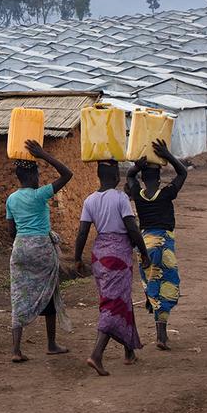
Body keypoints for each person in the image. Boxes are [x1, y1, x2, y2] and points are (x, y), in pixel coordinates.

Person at [74, 160, 149, 376]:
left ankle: (129, 352)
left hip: (100, 254)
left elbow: (82, 233)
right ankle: (96, 354)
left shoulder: (90, 200)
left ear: (99, 176)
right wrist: (143, 252)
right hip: (118, 254)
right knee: (113, 304)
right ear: (116, 176)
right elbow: (131, 227)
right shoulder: (121, 198)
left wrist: (77, 258)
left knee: (119, 299)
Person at [5, 140, 74, 362]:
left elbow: (10, 230)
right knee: (50, 292)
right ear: (34, 176)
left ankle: (16, 350)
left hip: (21, 249)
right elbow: (67, 174)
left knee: (18, 295)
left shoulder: (11, 199)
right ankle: (51, 344)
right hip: (42, 248)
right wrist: (43, 155)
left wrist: (24, 242)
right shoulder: (40, 195)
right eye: (38, 174)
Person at [125, 139, 187, 351]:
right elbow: (182, 173)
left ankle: (160, 333)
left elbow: (129, 176)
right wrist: (167, 155)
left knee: (152, 287)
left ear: (143, 179)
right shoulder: (166, 194)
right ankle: (161, 335)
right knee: (167, 288)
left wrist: (137, 167)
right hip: (163, 246)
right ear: (159, 180)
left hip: (144, 245)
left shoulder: (137, 195)